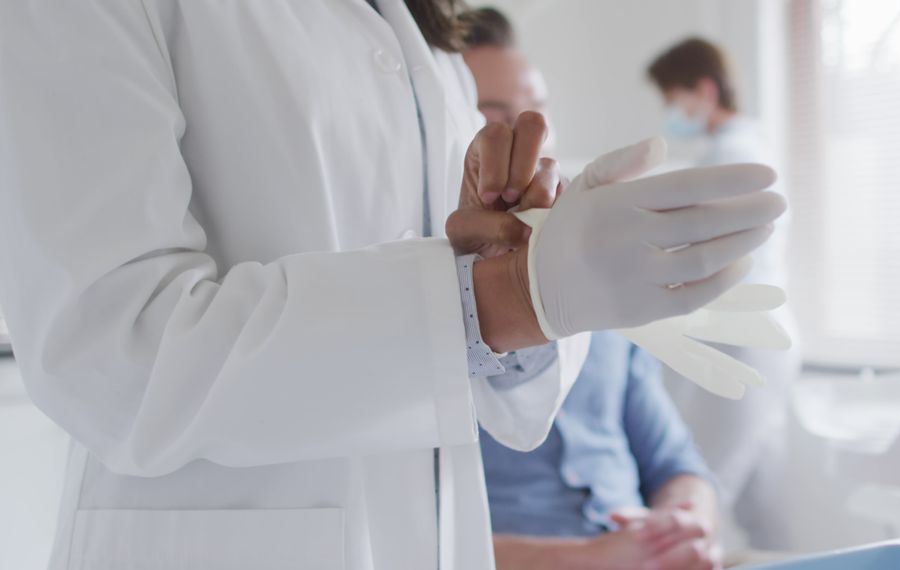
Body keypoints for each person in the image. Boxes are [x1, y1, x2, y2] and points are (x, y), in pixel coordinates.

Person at [0, 1, 785, 567]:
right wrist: (505, 297)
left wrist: (514, 259)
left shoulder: (423, 34)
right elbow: (114, 356)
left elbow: (483, 384)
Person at [461, 11, 722, 568]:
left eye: (535, 114)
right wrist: (596, 558)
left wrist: (682, 522)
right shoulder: (432, 314)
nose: (525, 138)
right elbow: (412, 539)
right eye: (494, 120)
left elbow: (678, 465)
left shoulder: (600, 291)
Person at [648, 38, 802, 550]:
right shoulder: (738, 147)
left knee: (706, 484)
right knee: (759, 496)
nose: (672, 111)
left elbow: (715, 252)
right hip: (763, 337)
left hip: (746, 336)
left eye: (674, 97)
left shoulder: (733, 154)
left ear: (704, 90)